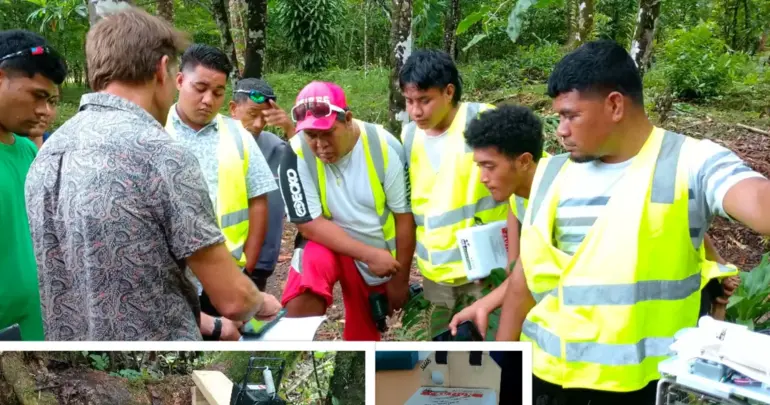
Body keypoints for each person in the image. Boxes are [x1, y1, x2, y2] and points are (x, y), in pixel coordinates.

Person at [498, 40, 770, 404]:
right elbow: (525, 280)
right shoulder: (549, 173)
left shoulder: (690, 162)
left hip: (645, 385)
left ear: (614, 105)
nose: (560, 130)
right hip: (550, 379)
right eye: (558, 117)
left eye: (570, 115)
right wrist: (500, 363)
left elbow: (757, 201)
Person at [25, 8, 280, 341]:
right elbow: (233, 299)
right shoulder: (162, 154)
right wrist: (259, 301)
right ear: (163, 70)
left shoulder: (47, 154)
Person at [449, 104, 742, 338]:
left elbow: (667, 213)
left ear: (524, 161)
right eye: (479, 167)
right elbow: (523, 273)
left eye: (489, 166)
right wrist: (484, 303)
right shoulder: (517, 197)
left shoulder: (571, 184)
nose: (483, 177)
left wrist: (716, 266)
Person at [278, 81, 415, 341]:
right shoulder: (295, 153)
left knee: (364, 334)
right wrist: (367, 254)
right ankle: (291, 341)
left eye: (327, 132)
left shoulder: (383, 146)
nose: (319, 145)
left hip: (380, 253)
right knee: (309, 275)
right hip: (331, 242)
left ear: (348, 119)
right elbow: (308, 224)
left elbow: (404, 218)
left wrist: (400, 280)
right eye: (311, 136)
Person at [166, 44, 280, 341]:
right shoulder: (157, 130)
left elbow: (258, 200)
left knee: (230, 337)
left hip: (227, 273)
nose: (207, 100)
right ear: (180, 81)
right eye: (200, 88)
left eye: (217, 92)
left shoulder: (238, 135)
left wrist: (248, 268)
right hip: (174, 278)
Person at [399, 49, 506, 338]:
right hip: (435, 274)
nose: (416, 111)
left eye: (425, 100)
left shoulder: (484, 120)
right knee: (444, 349)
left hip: (485, 272)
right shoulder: (409, 136)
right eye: (409, 101)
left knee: (486, 351)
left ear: (449, 92)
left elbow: (527, 175)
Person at [0, 29, 66, 341]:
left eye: (52, 100)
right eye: (37, 96)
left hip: (33, 327)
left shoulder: (27, 151)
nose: (47, 112)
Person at [229, 78, 293, 293]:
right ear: (233, 109)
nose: (258, 124)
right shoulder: (216, 143)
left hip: (263, 259)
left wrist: (290, 129)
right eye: (252, 114)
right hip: (226, 259)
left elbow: (308, 165)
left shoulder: (275, 147)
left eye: (264, 117)